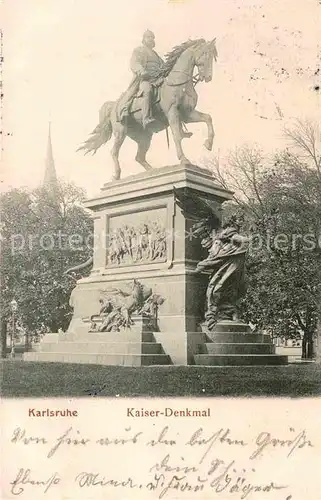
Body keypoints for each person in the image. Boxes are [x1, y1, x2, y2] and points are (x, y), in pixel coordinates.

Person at [116, 30, 164, 127]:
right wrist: (142, 71)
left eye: (152, 37)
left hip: (157, 80)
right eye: (148, 37)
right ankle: (146, 118)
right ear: (144, 39)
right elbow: (134, 63)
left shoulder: (156, 55)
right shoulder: (139, 51)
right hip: (144, 79)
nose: (150, 39)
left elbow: (163, 66)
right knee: (147, 90)